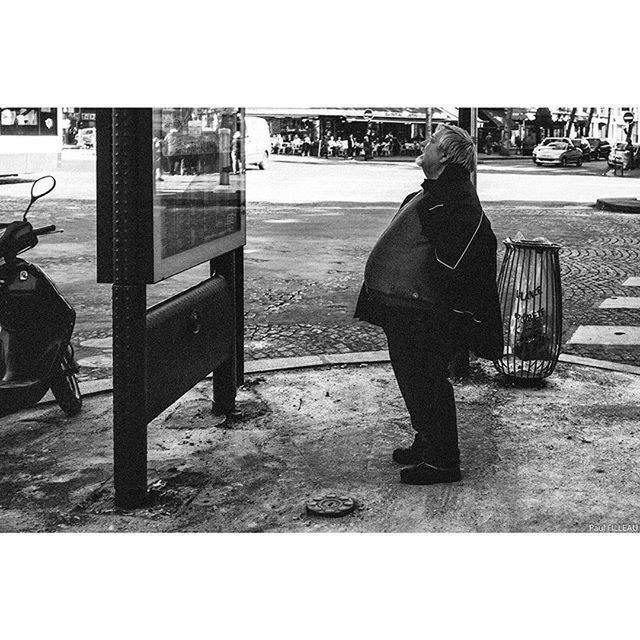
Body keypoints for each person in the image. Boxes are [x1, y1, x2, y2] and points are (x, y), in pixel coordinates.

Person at [354, 124, 503, 485]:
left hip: (423, 313)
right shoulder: (438, 193)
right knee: (412, 378)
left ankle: (443, 462)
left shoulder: (455, 200)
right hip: (405, 309)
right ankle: (427, 441)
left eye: (433, 142)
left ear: (447, 157)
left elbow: (459, 261)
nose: (425, 143)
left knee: (427, 381)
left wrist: (437, 310)